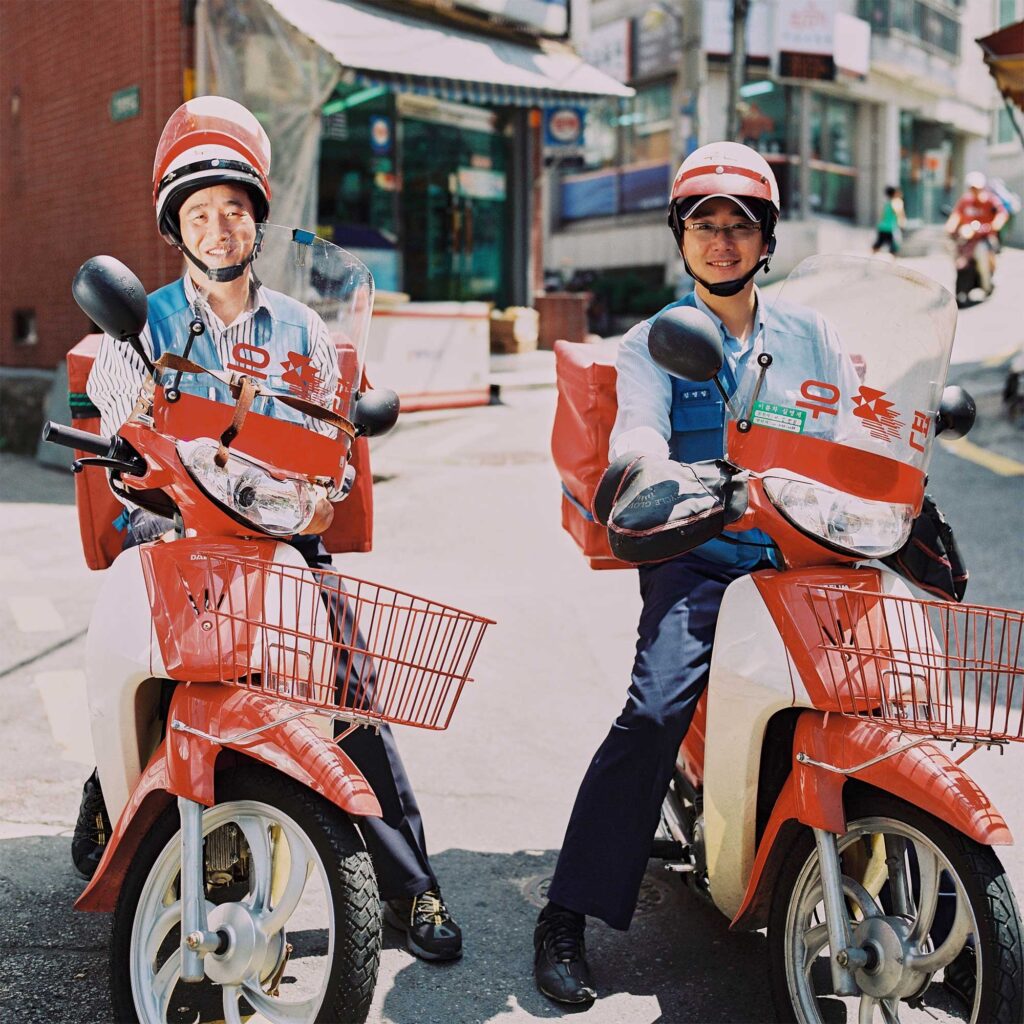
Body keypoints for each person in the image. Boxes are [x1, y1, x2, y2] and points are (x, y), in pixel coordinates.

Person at [77, 96, 462, 963]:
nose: (220, 228)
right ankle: (107, 785)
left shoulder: (302, 330)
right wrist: (139, 422)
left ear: (257, 217)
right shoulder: (145, 320)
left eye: (235, 210)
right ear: (177, 229)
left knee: (355, 686)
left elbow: (333, 444)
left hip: (280, 536)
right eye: (200, 214)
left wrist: (327, 477)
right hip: (175, 530)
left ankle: (410, 885)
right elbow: (116, 408)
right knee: (127, 650)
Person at [533, 141, 849, 1005]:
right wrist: (655, 474)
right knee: (653, 712)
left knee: (875, 690)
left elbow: (857, 425)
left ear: (766, 239)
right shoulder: (656, 340)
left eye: (738, 226)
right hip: (698, 556)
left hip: (803, 551)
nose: (721, 242)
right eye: (703, 226)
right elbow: (638, 428)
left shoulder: (812, 333)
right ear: (681, 238)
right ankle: (566, 912)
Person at [945, 171, 1009, 292]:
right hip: (968, 238)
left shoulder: (990, 200)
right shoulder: (965, 201)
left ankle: (988, 281)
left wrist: (996, 224)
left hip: (985, 237)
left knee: (985, 252)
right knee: (957, 254)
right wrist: (951, 226)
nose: (975, 191)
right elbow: (956, 214)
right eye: (972, 188)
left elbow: (1002, 214)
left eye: (978, 188)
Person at [871, 185, 906, 256]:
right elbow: (899, 214)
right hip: (890, 228)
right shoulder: (897, 202)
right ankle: (893, 264)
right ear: (895, 193)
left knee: (878, 244)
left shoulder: (887, 203)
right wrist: (902, 225)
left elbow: (883, 216)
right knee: (894, 248)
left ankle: (871, 259)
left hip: (882, 227)